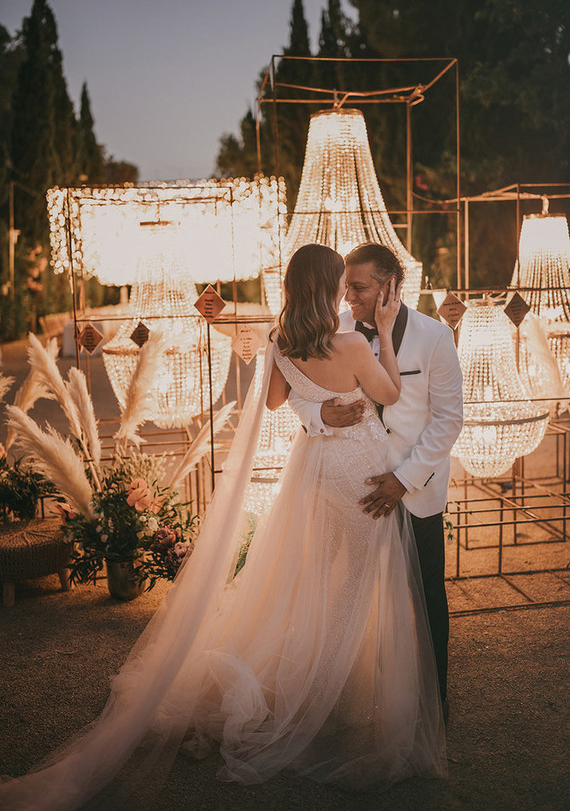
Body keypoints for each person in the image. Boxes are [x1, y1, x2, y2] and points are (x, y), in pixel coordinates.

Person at [0, 245, 446, 811]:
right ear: (331, 287)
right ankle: (321, 698)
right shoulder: (355, 342)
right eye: (342, 284)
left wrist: (319, 411)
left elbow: (278, 402)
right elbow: (389, 392)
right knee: (353, 584)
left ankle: (315, 683)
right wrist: (382, 328)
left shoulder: (282, 342)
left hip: (314, 471)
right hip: (360, 473)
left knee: (315, 578)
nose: (347, 293)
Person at [288, 243, 464, 709]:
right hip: (352, 491)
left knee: (425, 597)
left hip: (416, 491)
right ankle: (347, 700)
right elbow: (298, 392)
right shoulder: (335, 331)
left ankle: (432, 703)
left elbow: (447, 420)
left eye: (360, 289)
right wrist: (318, 414)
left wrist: (403, 479)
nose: (349, 298)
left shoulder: (434, 337)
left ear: (392, 287)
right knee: (346, 592)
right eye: (347, 288)